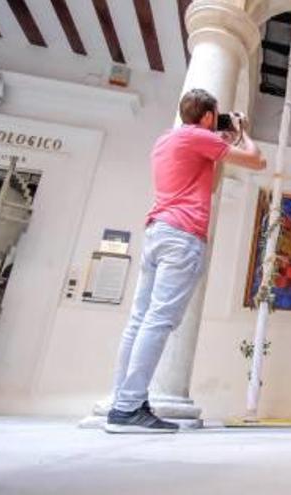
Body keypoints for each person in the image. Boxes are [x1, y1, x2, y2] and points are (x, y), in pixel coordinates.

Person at [105, 88, 266, 433]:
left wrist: (220, 142)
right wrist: (241, 133)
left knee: (140, 320)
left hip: (157, 231)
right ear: (208, 117)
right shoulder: (197, 138)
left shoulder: (167, 140)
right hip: (182, 236)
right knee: (159, 321)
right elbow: (257, 160)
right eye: (216, 116)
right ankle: (129, 407)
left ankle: (123, 401)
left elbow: (204, 184)